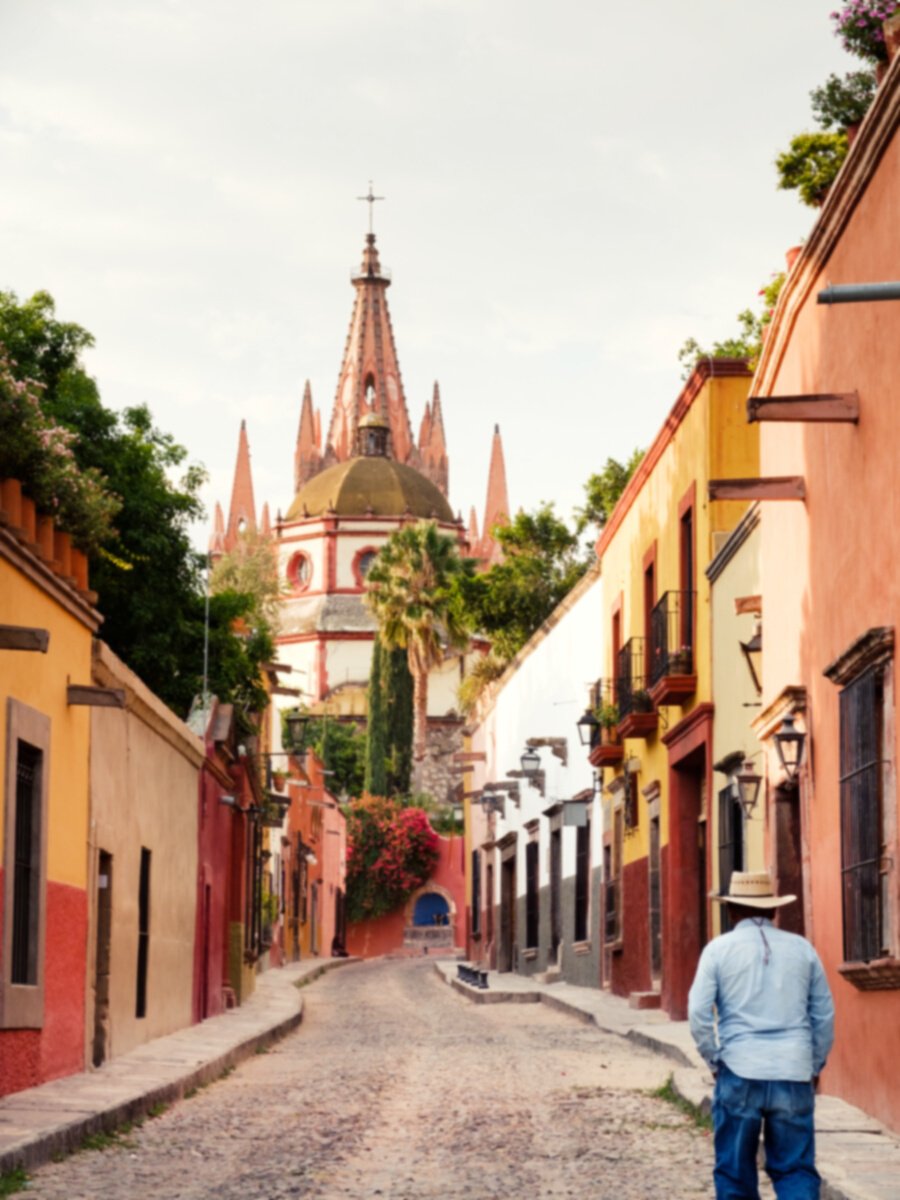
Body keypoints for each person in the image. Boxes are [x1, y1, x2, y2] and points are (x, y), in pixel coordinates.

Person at [688, 870, 834, 1200]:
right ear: (774, 910)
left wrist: (715, 1060)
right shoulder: (803, 950)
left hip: (739, 1069)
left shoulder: (717, 950)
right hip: (793, 1071)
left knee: (735, 1171)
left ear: (730, 911)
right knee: (795, 1169)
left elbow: (698, 1014)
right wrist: (812, 1065)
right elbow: (823, 1016)